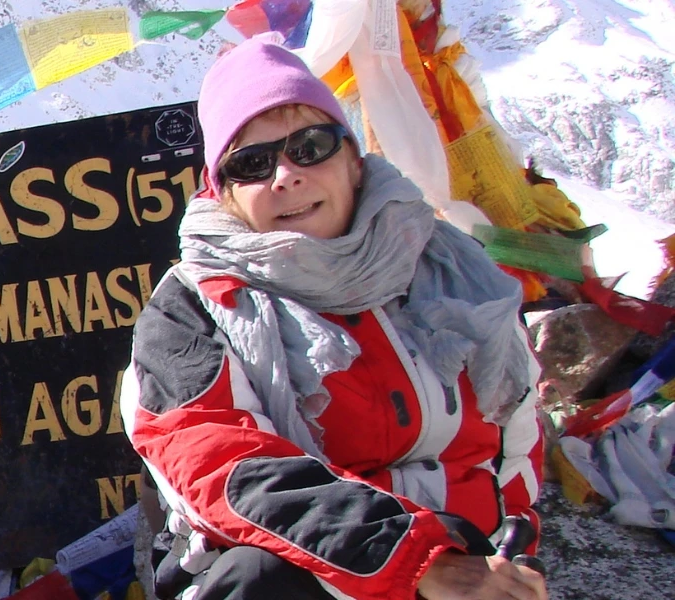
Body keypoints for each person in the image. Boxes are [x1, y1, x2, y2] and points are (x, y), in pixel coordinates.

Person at [120, 35, 548, 600]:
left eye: (311, 145)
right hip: (308, 573)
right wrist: (416, 562)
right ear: (223, 193)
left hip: (467, 564)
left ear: (352, 157)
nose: (285, 176)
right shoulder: (193, 308)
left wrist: (510, 554)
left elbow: (515, 442)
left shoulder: (451, 267)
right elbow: (222, 465)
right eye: (252, 163)